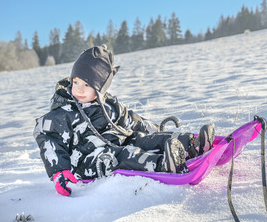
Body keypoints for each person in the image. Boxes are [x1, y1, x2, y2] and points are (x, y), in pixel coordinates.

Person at [33, 45, 215, 196]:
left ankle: (191, 144)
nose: (79, 89)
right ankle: (163, 164)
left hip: (115, 142)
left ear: (100, 88)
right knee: (122, 155)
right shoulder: (64, 112)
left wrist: (156, 130)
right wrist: (59, 171)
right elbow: (48, 138)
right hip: (85, 161)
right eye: (76, 82)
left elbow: (133, 121)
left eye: (87, 84)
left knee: (141, 138)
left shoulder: (109, 105)